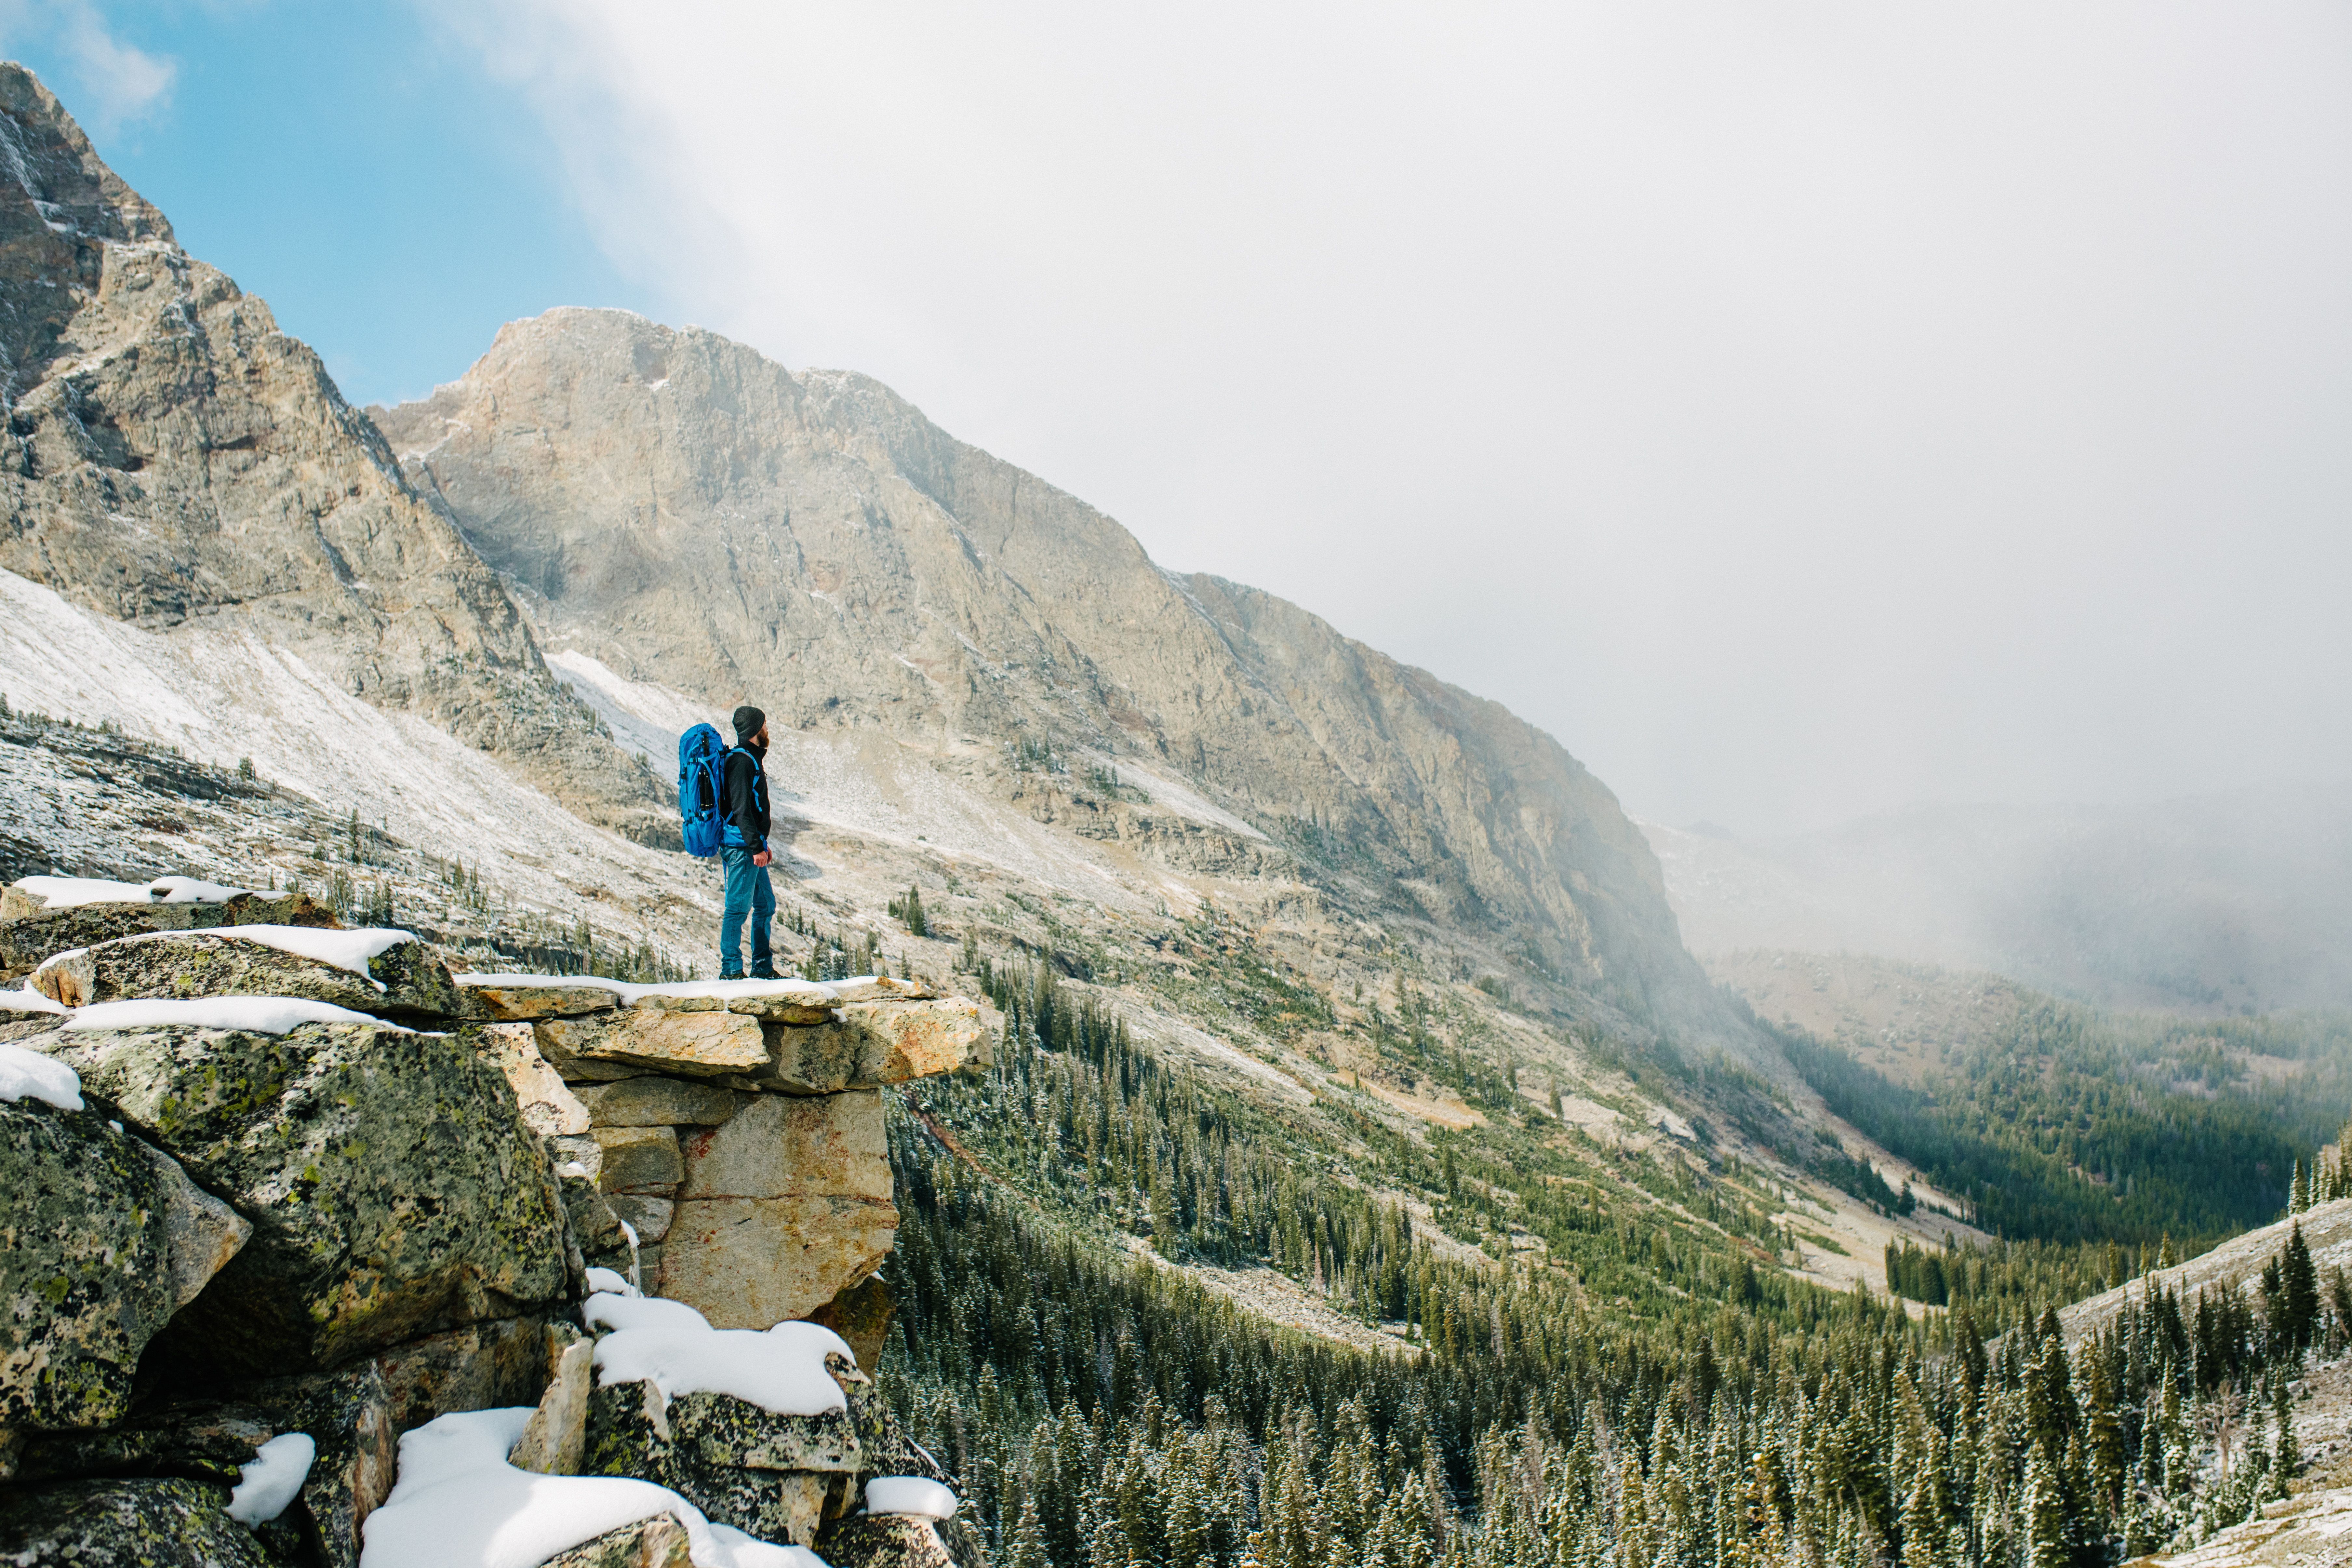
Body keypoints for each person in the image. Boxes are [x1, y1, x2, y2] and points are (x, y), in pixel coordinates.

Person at [718, 704, 777, 980]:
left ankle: (762, 967)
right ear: (756, 730)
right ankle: (731, 971)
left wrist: (762, 844)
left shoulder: (751, 758)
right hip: (742, 849)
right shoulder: (741, 761)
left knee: (765, 905)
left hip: (752, 847)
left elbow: (752, 810)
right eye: (765, 725)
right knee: (738, 908)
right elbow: (742, 809)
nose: (767, 729)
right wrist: (756, 847)